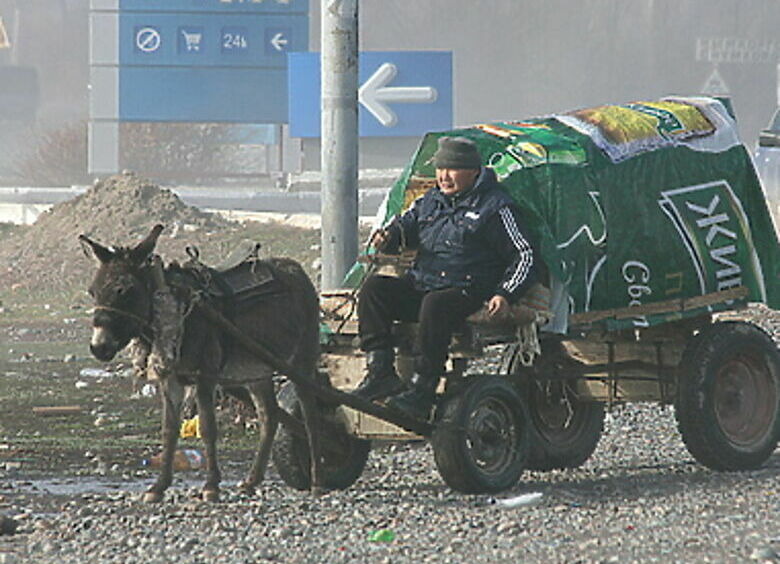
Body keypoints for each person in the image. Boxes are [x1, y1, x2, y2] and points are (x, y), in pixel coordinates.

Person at [353, 136, 538, 420]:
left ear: (473, 171)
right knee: (375, 289)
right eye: (441, 169)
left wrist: (505, 293)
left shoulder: (496, 208)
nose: (444, 176)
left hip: (466, 289)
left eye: (452, 169)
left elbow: (524, 255)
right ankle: (380, 371)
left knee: (435, 305)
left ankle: (423, 389)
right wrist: (388, 237)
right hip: (424, 283)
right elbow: (404, 228)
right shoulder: (429, 202)